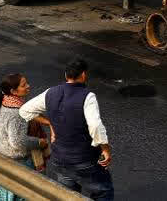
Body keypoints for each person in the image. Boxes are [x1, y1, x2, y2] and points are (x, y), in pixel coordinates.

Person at [20, 58, 112, 200]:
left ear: (65, 75)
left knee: (69, 196)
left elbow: (25, 111)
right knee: (103, 192)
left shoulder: (50, 92)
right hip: (84, 160)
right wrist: (105, 148)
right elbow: (95, 125)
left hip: (60, 159)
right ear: (83, 75)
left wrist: (49, 123)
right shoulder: (87, 96)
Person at [0, 72, 51, 201]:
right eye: (24, 85)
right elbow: (17, 142)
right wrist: (39, 142)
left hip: (1, 155)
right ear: (13, 91)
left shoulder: (3, 102)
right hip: (17, 160)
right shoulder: (18, 112)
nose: (28, 86)